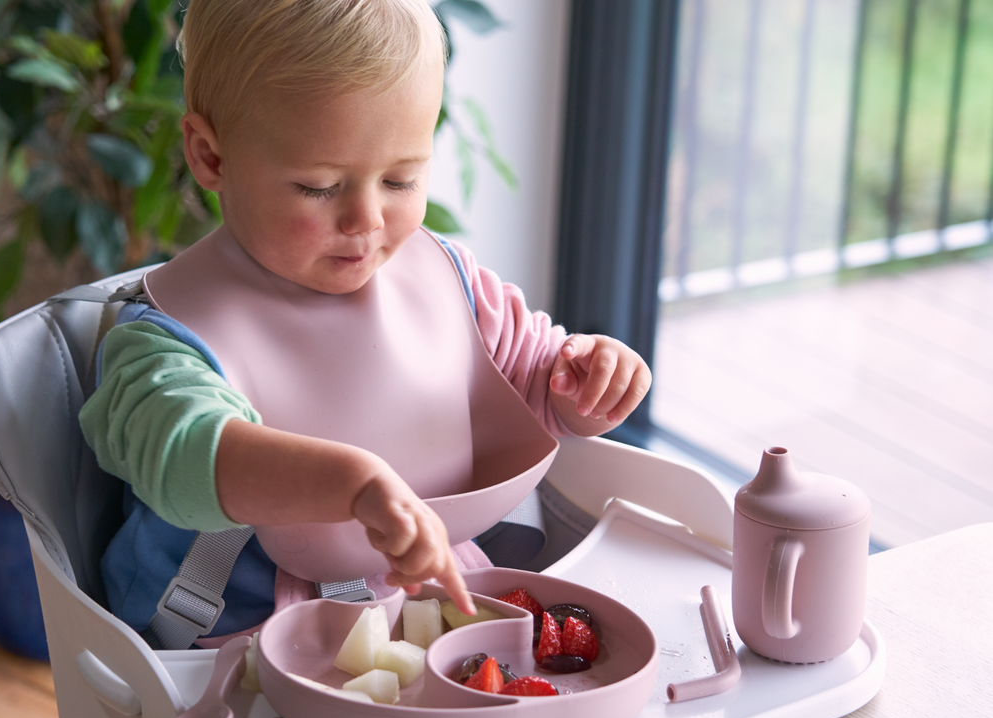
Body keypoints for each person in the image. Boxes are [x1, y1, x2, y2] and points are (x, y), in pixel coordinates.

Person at [79, 0, 651, 648]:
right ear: (211, 157)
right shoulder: (166, 339)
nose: (367, 220)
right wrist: (350, 486)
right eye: (319, 187)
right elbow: (185, 454)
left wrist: (588, 381)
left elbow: (532, 387)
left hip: (427, 606)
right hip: (227, 640)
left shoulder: (446, 280)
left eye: (401, 180)